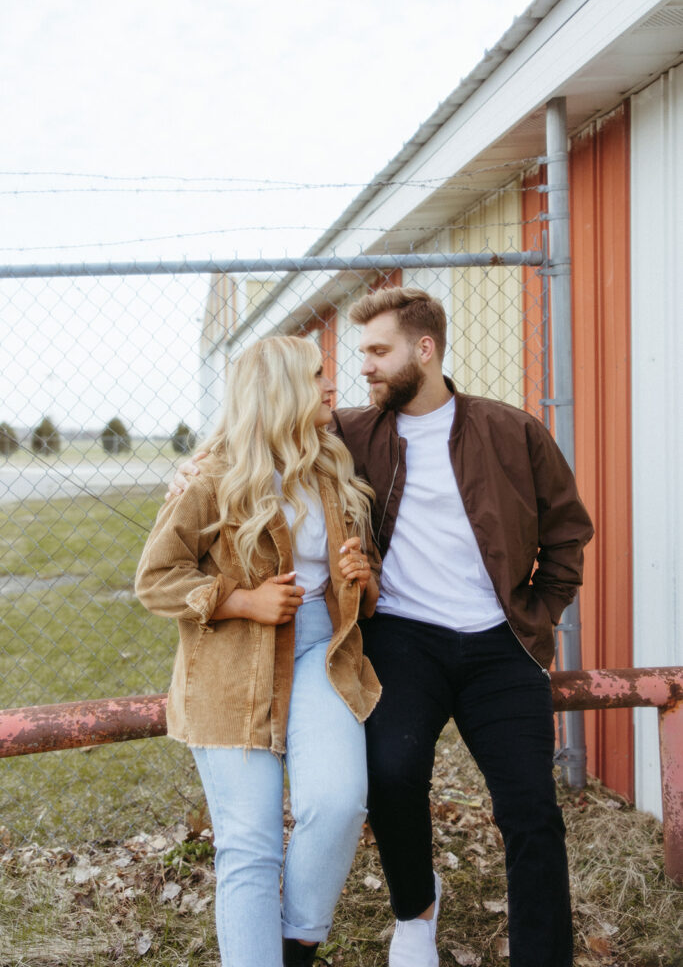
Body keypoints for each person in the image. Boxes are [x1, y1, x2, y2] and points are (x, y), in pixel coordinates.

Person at [170, 287, 594, 967]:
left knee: (530, 809)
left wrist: (539, 609)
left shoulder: (510, 431)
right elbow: (260, 432)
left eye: (375, 351)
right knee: (391, 773)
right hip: (402, 636)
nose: (359, 368)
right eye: (354, 353)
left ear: (422, 351)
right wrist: (194, 465)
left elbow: (567, 530)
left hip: (499, 644)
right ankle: (415, 915)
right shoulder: (350, 434)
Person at [137, 335, 381, 967]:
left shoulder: (329, 464)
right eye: (318, 374)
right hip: (231, 672)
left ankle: (296, 946)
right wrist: (239, 601)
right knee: (250, 847)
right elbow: (155, 579)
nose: (333, 383)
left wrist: (360, 571)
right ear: (281, 391)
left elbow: (362, 574)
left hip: (320, 654)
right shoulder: (213, 477)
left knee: (337, 802)